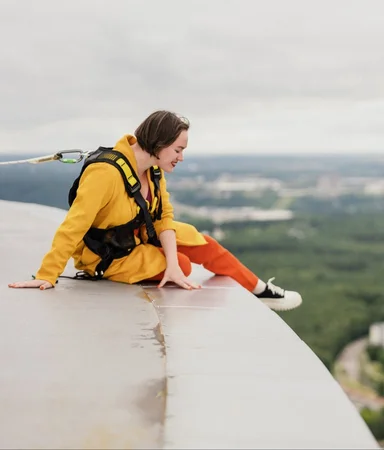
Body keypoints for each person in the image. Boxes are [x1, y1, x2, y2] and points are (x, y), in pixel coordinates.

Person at [8, 110, 302, 311]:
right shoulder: (104, 173)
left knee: (203, 246)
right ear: (158, 144)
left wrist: (172, 262)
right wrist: (48, 274)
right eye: (177, 149)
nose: (181, 157)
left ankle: (260, 289)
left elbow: (163, 218)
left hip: (137, 236)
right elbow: (75, 224)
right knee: (185, 267)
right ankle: (178, 266)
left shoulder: (154, 170)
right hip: (108, 254)